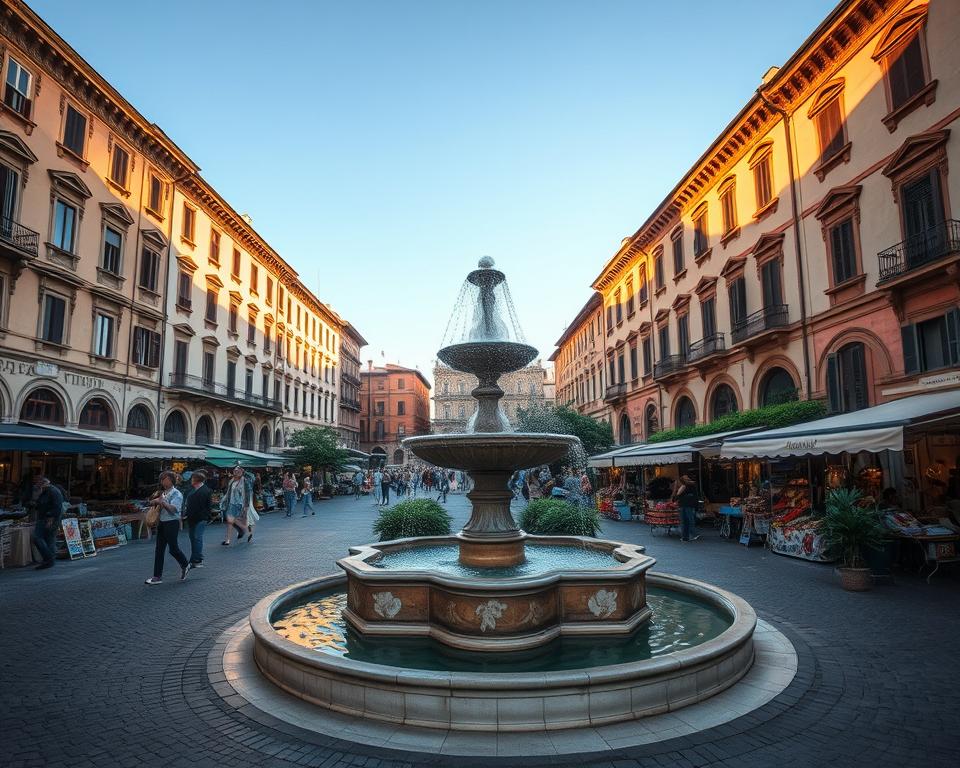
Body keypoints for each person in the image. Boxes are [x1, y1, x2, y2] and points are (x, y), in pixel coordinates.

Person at [145, 471, 189, 585]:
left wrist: (162, 502)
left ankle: (185, 564)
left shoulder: (176, 494)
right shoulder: (162, 492)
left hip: (172, 522)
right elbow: (151, 503)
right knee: (159, 549)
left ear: (172, 480)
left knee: (173, 549)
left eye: (166, 479)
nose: (163, 481)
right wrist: (153, 502)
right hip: (162, 522)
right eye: (162, 479)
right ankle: (157, 576)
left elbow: (174, 510)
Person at [31, 476, 64, 571]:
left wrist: (50, 517)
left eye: (38, 483)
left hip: (48, 518)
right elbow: (39, 504)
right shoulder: (45, 491)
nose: (36, 485)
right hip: (44, 518)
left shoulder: (53, 491)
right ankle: (50, 560)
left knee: (38, 537)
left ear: (44, 483)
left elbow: (57, 507)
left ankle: (49, 559)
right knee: (49, 539)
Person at [184, 470, 213, 568]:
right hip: (191, 517)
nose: (191, 480)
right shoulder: (190, 489)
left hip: (201, 517)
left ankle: (196, 559)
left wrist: (208, 516)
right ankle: (198, 556)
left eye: (192, 478)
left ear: (196, 479)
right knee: (192, 538)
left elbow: (208, 505)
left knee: (197, 537)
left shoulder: (206, 490)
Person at [221, 466, 252, 545]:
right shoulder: (231, 481)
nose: (236, 472)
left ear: (242, 472)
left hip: (240, 504)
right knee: (230, 521)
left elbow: (247, 494)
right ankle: (228, 540)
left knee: (231, 520)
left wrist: (246, 506)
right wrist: (223, 500)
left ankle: (244, 530)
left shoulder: (245, 481)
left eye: (238, 471)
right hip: (231, 503)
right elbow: (228, 492)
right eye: (235, 471)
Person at [674, 474, 700, 542]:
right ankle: (685, 536)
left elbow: (695, 496)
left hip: (688, 505)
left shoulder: (691, 485)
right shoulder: (684, 486)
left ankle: (690, 535)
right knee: (685, 521)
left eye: (687, 477)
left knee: (688, 521)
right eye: (685, 478)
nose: (687, 478)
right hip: (684, 505)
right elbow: (677, 496)